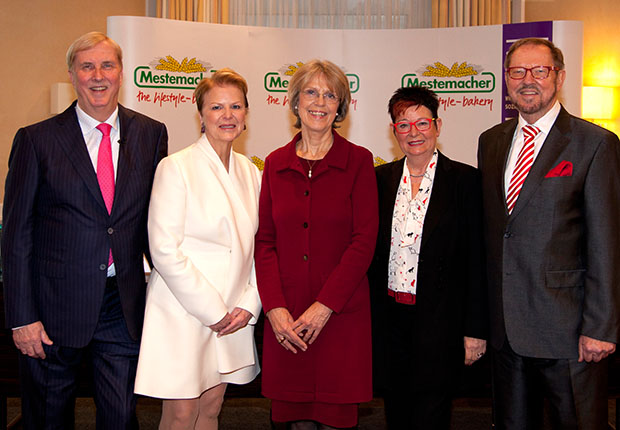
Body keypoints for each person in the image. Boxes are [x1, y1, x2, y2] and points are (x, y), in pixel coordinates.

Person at [1, 31, 168, 429]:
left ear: (121, 73)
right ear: (72, 75)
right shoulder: (36, 140)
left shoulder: (151, 133)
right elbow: (16, 234)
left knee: (120, 417)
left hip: (121, 304)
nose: (98, 75)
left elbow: (155, 221)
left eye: (107, 65)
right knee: (47, 417)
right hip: (52, 308)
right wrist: (21, 317)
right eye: (87, 66)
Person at [478, 37, 620, 429]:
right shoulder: (491, 142)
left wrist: (600, 327)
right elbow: (496, 237)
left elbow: (606, 243)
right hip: (506, 333)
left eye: (539, 70)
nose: (528, 80)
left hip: (569, 334)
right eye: (517, 71)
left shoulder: (596, 144)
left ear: (558, 77)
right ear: (506, 80)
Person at [254, 59, 379, 430]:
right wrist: (274, 309)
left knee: (334, 422)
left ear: (340, 107)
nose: (320, 102)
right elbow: (264, 242)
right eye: (311, 92)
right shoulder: (275, 164)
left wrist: (325, 307)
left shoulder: (359, 161)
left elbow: (364, 240)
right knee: (294, 423)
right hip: (287, 323)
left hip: (340, 320)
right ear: (294, 102)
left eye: (330, 95)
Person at [134, 69, 261, 430]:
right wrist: (213, 310)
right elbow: (163, 250)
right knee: (182, 412)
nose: (227, 115)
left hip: (233, 314)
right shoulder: (176, 167)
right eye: (217, 106)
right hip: (184, 311)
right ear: (201, 114)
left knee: (212, 406)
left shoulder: (251, 172)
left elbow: (260, 246)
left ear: (246, 113)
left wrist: (248, 304)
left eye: (236, 106)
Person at [367, 86, 487, 429]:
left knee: (431, 415)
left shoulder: (465, 181)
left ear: (437, 125)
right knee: (396, 412)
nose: (414, 133)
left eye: (422, 123)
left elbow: (477, 261)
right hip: (390, 319)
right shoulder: (380, 180)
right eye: (403, 125)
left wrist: (475, 330)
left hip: (440, 322)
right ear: (394, 132)